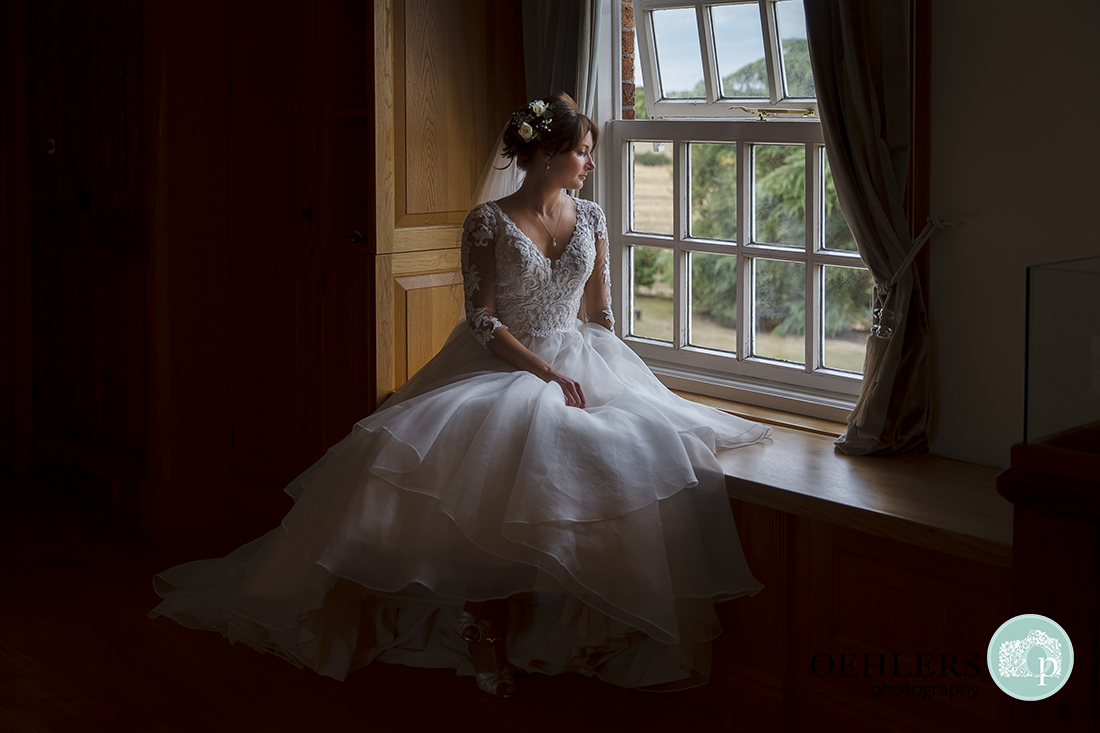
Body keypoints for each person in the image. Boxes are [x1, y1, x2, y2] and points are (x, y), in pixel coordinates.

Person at [149, 92, 771, 699]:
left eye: (587, 152)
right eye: (580, 152)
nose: (588, 163)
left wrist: (622, 373)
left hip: (582, 357)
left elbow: (600, 311)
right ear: (546, 153)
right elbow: (482, 319)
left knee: (638, 446)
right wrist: (546, 374)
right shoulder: (488, 221)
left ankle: (587, 627)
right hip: (502, 365)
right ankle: (483, 628)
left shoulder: (594, 217)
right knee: (493, 468)